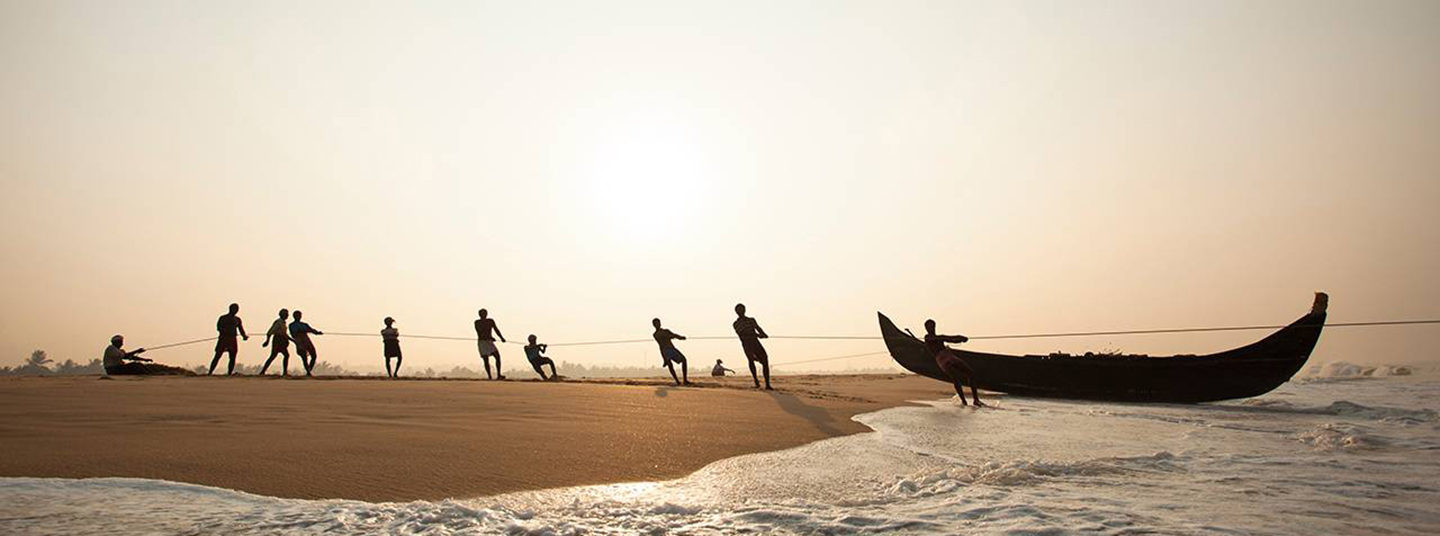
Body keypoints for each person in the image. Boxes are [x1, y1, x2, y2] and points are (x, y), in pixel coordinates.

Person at [924, 319, 985, 407]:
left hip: (948, 355)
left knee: (971, 373)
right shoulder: (927, 337)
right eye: (929, 327)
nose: (931, 328)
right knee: (955, 378)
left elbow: (949, 339)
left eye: (932, 326)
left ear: (935, 326)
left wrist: (960, 338)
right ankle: (964, 401)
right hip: (941, 359)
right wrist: (958, 338)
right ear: (926, 328)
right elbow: (946, 338)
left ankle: (976, 400)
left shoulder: (939, 337)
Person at [732, 303, 772, 389]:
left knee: (764, 360)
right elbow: (743, 335)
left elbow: (758, 329)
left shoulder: (750, 320)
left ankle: (767, 384)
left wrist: (763, 334)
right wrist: (759, 335)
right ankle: (757, 381)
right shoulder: (736, 324)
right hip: (748, 344)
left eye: (742, 310)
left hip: (755, 343)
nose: (741, 312)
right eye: (739, 310)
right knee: (752, 360)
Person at [209, 303, 248, 375]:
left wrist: (244, 336)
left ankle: (229, 373)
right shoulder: (223, 318)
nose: (236, 311)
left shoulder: (237, 319)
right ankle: (210, 372)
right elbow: (219, 328)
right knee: (218, 355)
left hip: (233, 339)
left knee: (232, 357)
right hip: (223, 339)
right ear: (230, 309)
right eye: (234, 309)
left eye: (237, 309)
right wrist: (226, 332)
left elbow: (241, 329)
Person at [652, 318, 690, 386]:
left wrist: (680, 337)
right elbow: (667, 337)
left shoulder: (666, 331)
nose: (658, 324)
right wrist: (664, 358)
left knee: (684, 360)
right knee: (670, 365)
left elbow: (673, 335)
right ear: (654, 325)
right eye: (656, 323)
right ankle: (677, 381)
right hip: (665, 351)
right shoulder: (655, 335)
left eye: (659, 323)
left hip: (672, 348)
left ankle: (685, 380)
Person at [474, 309, 507, 380]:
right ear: (479, 315)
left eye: (485, 313)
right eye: (482, 313)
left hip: (489, 342)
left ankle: (498, 375)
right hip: (482, 342)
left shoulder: (490, 321)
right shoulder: (477, 322)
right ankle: (489, 376)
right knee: (486, 360)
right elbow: (480, 333)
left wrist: (501, 338)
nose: (484, 315)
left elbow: (496, 330)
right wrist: (490, 337)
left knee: (497, 357)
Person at [259, 309, 294, 376]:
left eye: (287, 314)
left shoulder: (283, 323)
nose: (287, 315)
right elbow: (270, 332)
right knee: (278, 356)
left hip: (282, 340)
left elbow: (285, 334)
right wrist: (267, 341)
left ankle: (263, 371)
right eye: (285, 314)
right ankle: (284, 372)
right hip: (278, 340)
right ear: (281, 315)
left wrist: (292, 340)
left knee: (278, 356)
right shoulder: (278, 322)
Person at [288, 310, 323, 376]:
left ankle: (309, 370)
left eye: (299, 315)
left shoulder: (304, 324)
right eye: (297, 316)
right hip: (300, 342)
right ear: (294, 316)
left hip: (307, 341)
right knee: (304, 357)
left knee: (314, 355)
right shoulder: (291, 325)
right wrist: (305, 331)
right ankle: (308, 372)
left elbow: (311, 329)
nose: (299, 317)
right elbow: (294, 333)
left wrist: (317, 332)